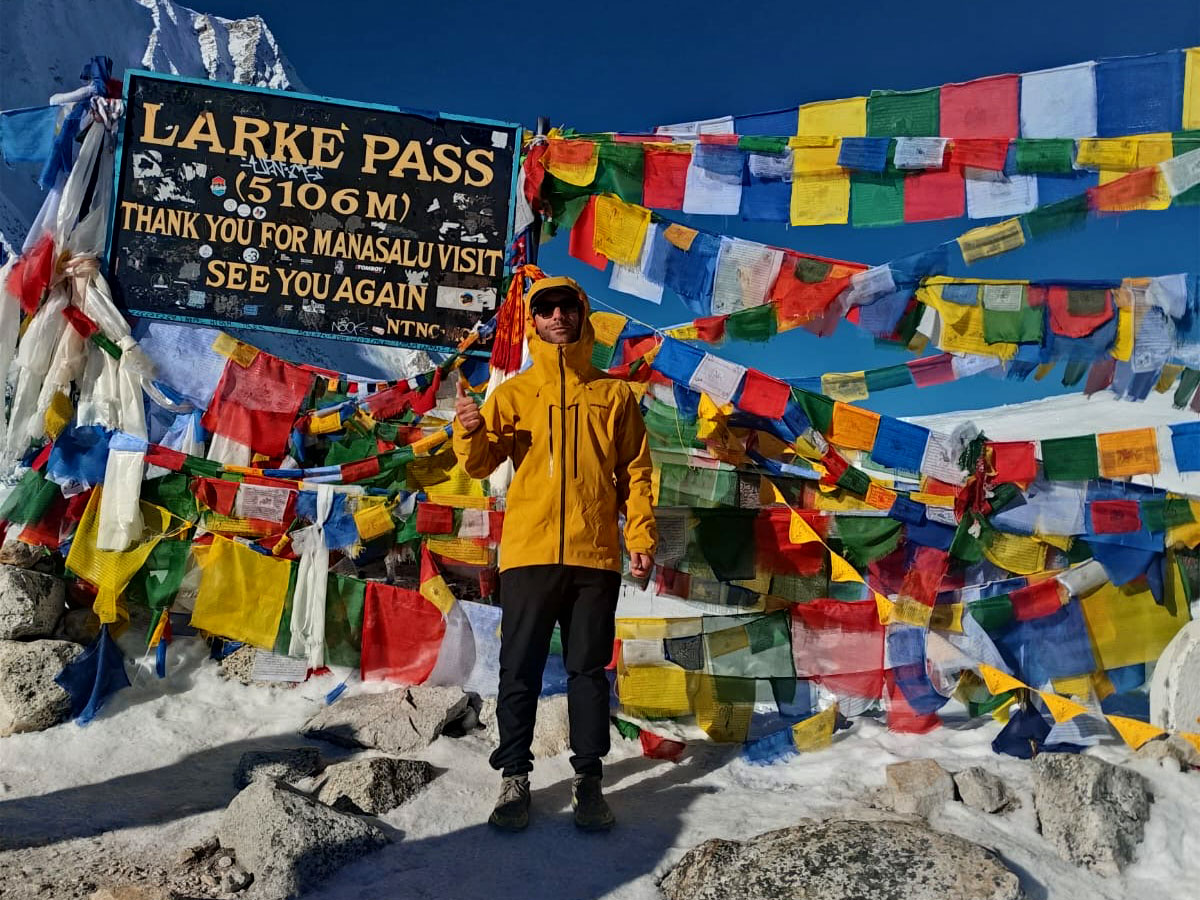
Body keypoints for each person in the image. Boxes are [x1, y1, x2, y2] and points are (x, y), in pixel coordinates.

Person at [452, 275, 656, 832]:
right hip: (527, 552)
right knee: (519, 669)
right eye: (545, 308)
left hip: (594, 556)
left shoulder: (614, 394)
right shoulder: (513, 393)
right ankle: (514, 777)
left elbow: (636, 473)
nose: (557, 315)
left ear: (582, 315)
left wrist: (638, 537)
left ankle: (589, 779)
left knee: (588, 671)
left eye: (567, 306)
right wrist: (469, 431)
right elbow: (478, 463)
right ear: (533, 321)